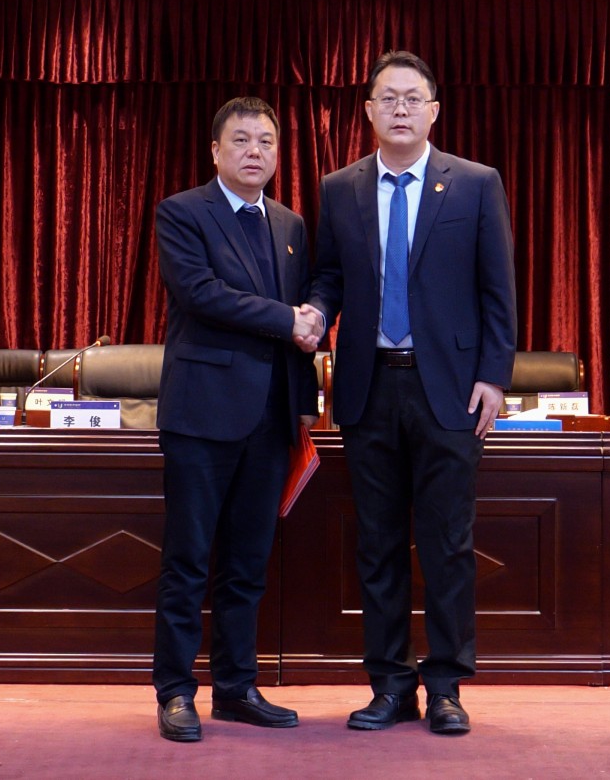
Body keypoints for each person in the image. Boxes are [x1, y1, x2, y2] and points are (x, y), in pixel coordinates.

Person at [306, 51, 517, 736]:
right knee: (378, 544)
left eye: (412, 98)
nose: (400, 108)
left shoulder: (475, 183)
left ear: (434, 111)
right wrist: (314, 312)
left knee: (448, 543)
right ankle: (391, 685)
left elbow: (497, 288)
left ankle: (447, 686)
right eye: (388, 98)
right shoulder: (340, 188)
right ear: (368, 111)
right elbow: (329, 276)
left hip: (450, 390)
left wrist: (493, 375)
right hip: (368, 387)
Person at [151, 96, 324, 743]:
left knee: (248, 564)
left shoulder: (289, 223)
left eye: (266, 142)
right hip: (202, 415)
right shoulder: (182, 212)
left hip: (270, 419)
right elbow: (200, 294)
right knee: (188, 560)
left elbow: (305, 305)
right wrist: (289, 320)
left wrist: (311, 329)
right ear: (216, 151)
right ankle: (175, 691)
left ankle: (235, 688)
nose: (255, 151)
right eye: (242, 140)